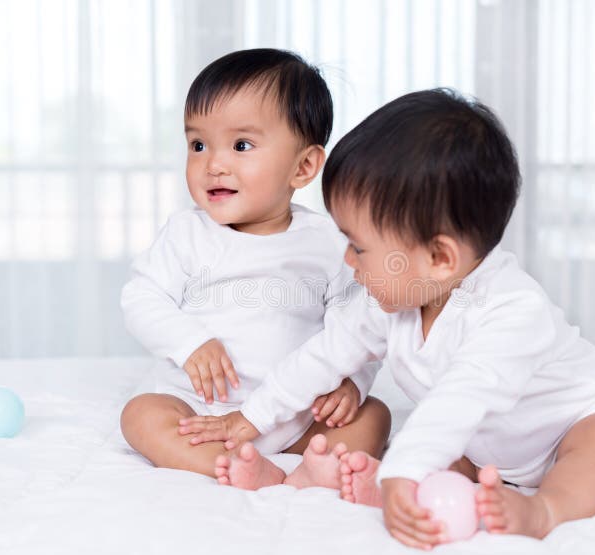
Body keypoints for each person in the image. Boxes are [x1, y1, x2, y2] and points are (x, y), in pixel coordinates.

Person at [190, 89, 595, 548]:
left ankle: (546, 509)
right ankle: (374, 487)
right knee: (445, 460)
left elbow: (460, 399)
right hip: (483, 443)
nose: (348, 260)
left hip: (575, 421)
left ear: (439, 257)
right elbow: (323, 354)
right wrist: (251, 418)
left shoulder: (513, 311)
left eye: (360, 247)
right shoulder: (393, 297)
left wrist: (403, 471)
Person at [119, 48, 391, 489]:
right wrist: (190, 343)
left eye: (241, 145)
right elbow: (141, 298)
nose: (214, 163)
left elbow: (360, 326)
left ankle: (308, 470)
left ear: (303, 167)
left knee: (373, 414)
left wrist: (351, 384)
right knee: (141, 417)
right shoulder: (187, 232)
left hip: (295, 410)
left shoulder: (328, 243)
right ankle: (231, 467)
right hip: (198, 407)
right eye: (198, 144)